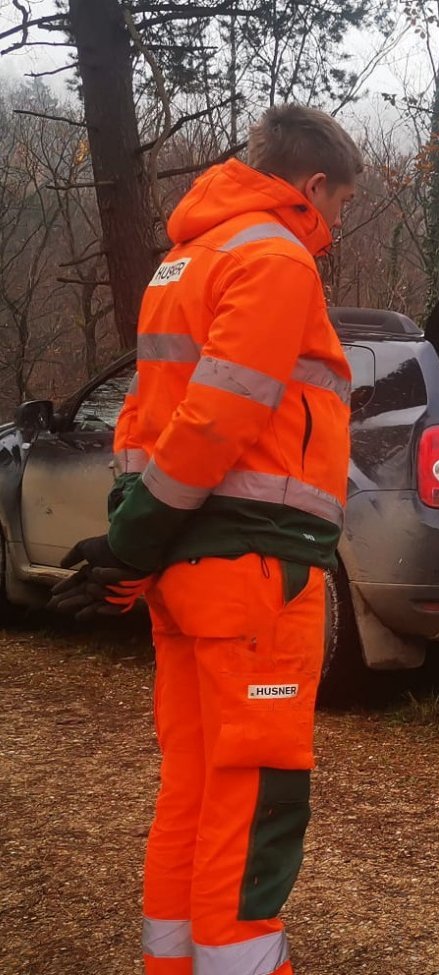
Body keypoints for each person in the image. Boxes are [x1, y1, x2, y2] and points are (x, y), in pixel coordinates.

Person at [49, 104, 360, 975]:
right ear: (312, 187)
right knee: (255, 788)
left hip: (194, 567)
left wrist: (133, 537)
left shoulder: (181, 262)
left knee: (192, 778)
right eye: (338, 204)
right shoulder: (276, 256)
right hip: (253, 567)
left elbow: (146, 419)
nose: (336, 223)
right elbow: (219, 414)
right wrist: (135, 537)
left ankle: (172, 964)